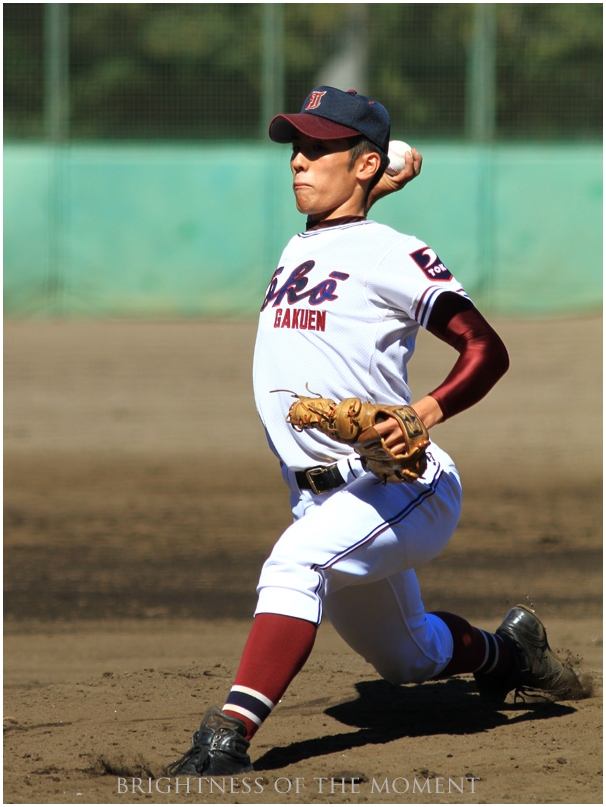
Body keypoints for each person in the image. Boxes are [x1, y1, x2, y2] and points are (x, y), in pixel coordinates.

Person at [168, 86, 582, 777]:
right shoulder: (304, 242)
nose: (298, 161)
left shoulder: (397, 253)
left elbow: (487, 349)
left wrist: (420, 414)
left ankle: (226, 735)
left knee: (294, 564)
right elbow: (346, 234)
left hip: (403, 485)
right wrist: (373, 178)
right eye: (295, 148)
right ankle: (513, 651)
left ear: (361, 162)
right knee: (408, 657)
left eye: (319, 148)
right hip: (321, 499)